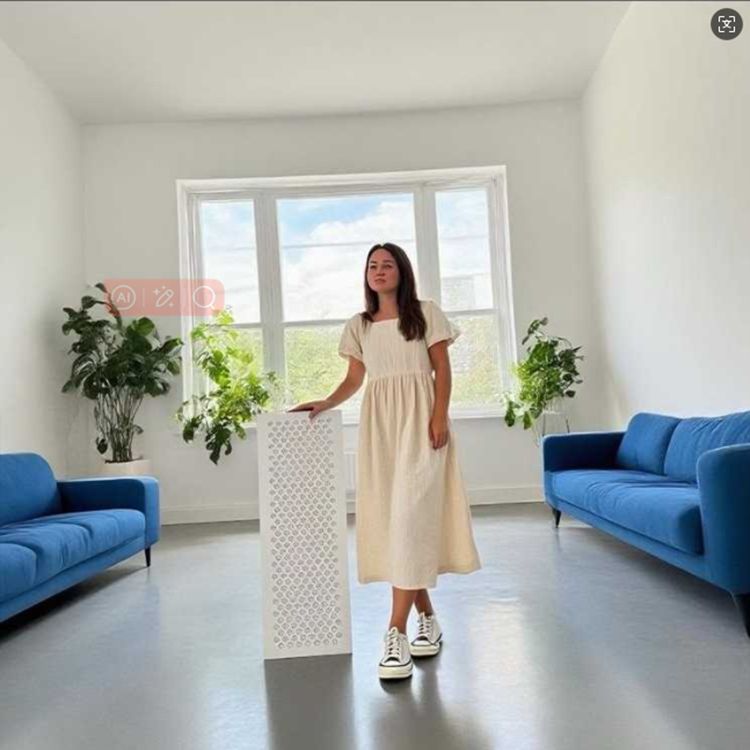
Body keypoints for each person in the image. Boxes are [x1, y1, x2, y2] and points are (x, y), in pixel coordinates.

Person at [288, 242, 482, 681]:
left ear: (401, 271)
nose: (379, 271)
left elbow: (442, 369)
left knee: (412, 519)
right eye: (372, 265)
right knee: (399, 526)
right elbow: (354, 378)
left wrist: (439, 416)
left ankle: (394, 632)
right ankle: (427, 617)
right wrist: (326, 402)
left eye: (387, 264)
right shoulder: (358, 325)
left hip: (422, 422)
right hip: (380, 429)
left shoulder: (425, 313)